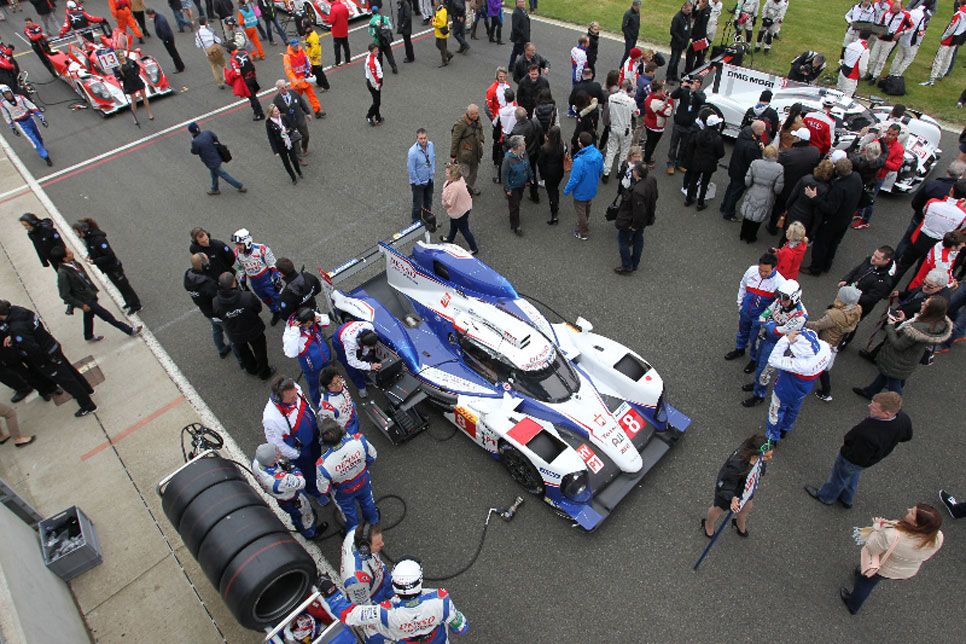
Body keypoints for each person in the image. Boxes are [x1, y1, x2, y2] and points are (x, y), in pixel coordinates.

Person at [805, 391, 911, 506]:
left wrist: (847, 448)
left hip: (851, 458)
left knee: (838, 477)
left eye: (874, 407)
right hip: (868, 460)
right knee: (853, 474)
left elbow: (850, 441)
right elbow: (907, 436)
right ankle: (847, 499)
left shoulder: (868, 434)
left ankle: (826, 497)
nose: (869, 406)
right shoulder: (903, 419)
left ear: (886, 414)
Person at [841, 503, 943, 614]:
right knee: (870, 579)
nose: (908, 510)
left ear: (916, 524)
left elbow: (872, 548)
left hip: (881, 567)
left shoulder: (892, 535)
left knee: (865, 583)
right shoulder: (937, 537)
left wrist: (877, 529)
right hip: (902, 570)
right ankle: (860, 574)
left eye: (912, 513)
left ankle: (853, 604)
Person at [0, 301, 97, 417]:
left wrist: (42, 363)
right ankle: (88, 390)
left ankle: (88, 406)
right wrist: (14, 337)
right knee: (70, 371)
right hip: (52, 345)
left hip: (47, 356)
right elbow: (28, 328)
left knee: (67, 382)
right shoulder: (18, 311)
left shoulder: (16, 328)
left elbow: (33, 349)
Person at [343, 559, 469, 641]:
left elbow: (349, 615)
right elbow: (461, 628)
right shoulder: (441, 601)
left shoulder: (385, 611)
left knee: (370, 630)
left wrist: (332, 595)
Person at [853, 295, 951, 397]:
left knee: (894, 385)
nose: (922, 303)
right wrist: (905, 320)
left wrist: (890, 325)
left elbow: (898, 344)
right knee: (886, 375)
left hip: (899, 359)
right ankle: (870, 392)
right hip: (907, 360)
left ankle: (895, 409)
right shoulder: (934, 323)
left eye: (926, 304)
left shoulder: (918, 329)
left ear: (930, 310)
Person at [50, 247, 141, 342]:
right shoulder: (63, 274)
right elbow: (64, 294)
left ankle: (88, 335)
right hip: (85, 300)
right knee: (108, 316)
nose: (71, 252)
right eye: (68, 253)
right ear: (64, 259)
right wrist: (81, 305)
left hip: (90, 295)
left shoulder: (74, 263)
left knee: (88, 315)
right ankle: (130, 330)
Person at [742, 279, 808, 407]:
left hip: (778, 345)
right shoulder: (779, 301)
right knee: (758, 362)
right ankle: (757, 384)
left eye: (785, 298)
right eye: (780, 296)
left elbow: (778, 331)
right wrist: (769, 323)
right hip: (766, 337)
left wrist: (768, 323)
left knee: (764, 370)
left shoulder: (800, 316)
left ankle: (759, 395)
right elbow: (764, 314)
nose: (781, 300)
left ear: (794, 298)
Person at [891, 179, 966, 286]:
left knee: (902, 265)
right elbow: (961, 229)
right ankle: (907, 295)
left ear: (951, 190)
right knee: (920, 272)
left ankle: (887, 288)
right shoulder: (963, 214)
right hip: (936, 245)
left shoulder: (933, 202)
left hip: (918, 238)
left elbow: (924, 212)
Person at [765, 329, 832, 442]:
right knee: (793, 410)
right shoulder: (824, 349)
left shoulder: (802, 364)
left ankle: (772, 437)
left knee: (775, 413)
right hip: (803, 389)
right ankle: (785, 429)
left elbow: (773, 360)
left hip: (785, 389)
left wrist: (785, 340)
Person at [702, 434, 773, 538]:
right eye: (767, 456)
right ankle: (708, 524)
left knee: (747, 506)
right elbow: (727, 484)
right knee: (718, 509)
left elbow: (760, 466)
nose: (770, 458)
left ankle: (739, 523)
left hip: (746, 487)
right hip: (728, 489)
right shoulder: (736, 465)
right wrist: (732, 498)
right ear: (755, 454)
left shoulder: (756, 454)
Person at [263, 376, 323, 499]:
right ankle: (314, 491)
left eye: (296, 394)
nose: (296, 398)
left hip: (314, 437)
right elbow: (277, 444)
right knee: (308, 472)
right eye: (291, 398)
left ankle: (322, 481)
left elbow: (305, 401)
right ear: (280, 399)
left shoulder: (294, 388)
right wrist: (297, 455)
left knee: (318, 462)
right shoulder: (271, 418)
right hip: (301, 450)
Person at [805, 157, 866, 274]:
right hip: (846, 218)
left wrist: (815, 197)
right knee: (834, 243)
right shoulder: (857, 177)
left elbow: (830, 208)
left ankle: (815, 268)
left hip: (832, 221)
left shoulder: (839, 187)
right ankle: (826, 265)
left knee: (821, 244)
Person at [253, 443, 324, 538]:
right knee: (304, 515)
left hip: (283, 498)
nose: (279, 452)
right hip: (292, 499)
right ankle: (310, 533)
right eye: (276, 453)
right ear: (272, 461)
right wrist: (294, 469)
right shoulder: (280, 480)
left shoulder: (257, 462)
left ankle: (300, 523)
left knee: (297, 515)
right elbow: (301, 482)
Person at [317, 417, 379, 528]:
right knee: (368, 502)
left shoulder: (322, 465)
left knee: (348, 513)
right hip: (362, 481)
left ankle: (354, 534)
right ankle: (373, 523)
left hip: (343, 493)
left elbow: (323, 489)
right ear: (342, 431)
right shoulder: (359, 440)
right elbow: (373, 457)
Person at [72, 218, 141, 314]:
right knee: (119, 286)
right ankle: (129, 302)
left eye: (77, 231)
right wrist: (90, 255)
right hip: (107, 268)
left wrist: (95, 261)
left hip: (113, 267)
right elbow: (94, 250)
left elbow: (110, 255)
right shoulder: (89, 239)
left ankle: (136, 305)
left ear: (83, 230)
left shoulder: (98, 239)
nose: (76, 234)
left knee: (125, 286)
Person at [214, 272, 275, 379]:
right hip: (254, 330)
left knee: (243, 352)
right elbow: (258, 308)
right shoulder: (247, 296)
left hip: (235, 333)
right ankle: (264, 372)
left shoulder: (216, 302)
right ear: (234, 282)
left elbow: (218, 315)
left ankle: (251, 369)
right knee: (260, 351)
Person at [725, 252, 785, 362]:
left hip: (761, 317)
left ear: (774, 268)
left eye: (766, 271)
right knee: (742, 331)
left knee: (756, 339)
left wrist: (765, 318)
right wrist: (740, 304)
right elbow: (742, 285)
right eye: (760, 270)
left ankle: (754, 359)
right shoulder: (751, 270)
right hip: (746, 310)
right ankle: (740, 349)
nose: (762, 273)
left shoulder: (780, 282)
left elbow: (779, 305)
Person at [808, 285, 863, 401]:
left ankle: (825, 391)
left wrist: (803, 322)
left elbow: (818, 325)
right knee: (825, 365)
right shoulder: (856, 310)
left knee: (821, 367)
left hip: (825, 341)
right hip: (836, 342)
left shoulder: (834, 315)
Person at [852, 124, 905, 230]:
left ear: (897, 135)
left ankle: (865, 221)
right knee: (860, 193)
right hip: (867, 174)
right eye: (889, 133)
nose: (890, 136)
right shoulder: (877, 142)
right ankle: (859, 212)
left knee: (870, 200)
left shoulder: (899, 149)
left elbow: (896, 166)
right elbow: (866, 153)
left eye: (893, 135)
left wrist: (881, 161)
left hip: (879, 177)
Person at [184, 253, 235, 360]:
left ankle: (221, 349)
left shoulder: (188, 278)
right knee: (231, 334)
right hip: (217, 312)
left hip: (206, 311)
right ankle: (241, 358)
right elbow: (219, 297)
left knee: (216, 329)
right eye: (207, 260)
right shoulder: (207, 284)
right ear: (202, 264)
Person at [768, 128, 820, 233]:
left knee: (778, 208)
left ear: (798, 139)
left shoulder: (788, 154)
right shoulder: (815, 152)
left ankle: (773, 227)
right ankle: (787, 228)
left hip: (786, 187)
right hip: (803, 189)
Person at [283, 308, 331, 410]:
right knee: (314, 387)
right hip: (311, 368)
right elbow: (290, 353)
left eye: (311, 322)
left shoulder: (311, 315)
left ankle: (331, 393)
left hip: (325, 359)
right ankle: (319, 405)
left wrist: (320, 319)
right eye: (308, 324)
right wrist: (295, 331)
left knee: (328, 378)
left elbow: (327, 322)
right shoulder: (291, 331)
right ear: (301, 323)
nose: (310, 325)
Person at [232, 228, 283, 323]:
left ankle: (287, 312)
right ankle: (276, 312)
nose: (237, 246)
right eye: (236, 244)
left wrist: (276, 278)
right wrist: (242, 282)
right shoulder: (236, 254)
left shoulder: (261, 249)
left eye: (239, 244)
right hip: (254, 282)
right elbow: (241, 269)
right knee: (265, 299)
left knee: (278, 297)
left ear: (247, 242)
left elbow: (272, 264)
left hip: (267, 279)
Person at [614, 162, 657, 275]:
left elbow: (638, 212)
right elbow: (655, 196)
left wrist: (633, 226)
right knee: (639, 239)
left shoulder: (637, 191)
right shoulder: (651, 180)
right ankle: (635, 263)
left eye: (633, 170)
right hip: (645, 218)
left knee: (623, 241)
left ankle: (627, 266)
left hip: (632, 221)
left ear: (637, 173)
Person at [721, 120, 765, 222]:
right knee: (736, 193)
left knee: (731, 187)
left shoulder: (745, 132)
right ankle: (728, 213)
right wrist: (761, 150)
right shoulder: (752, 146)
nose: (764, 132)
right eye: (763, 130)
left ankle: (724, 206)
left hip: (734, 167)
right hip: (742, 172)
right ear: (757, 130)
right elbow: (755, 161)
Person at [564, 131, 604, 241]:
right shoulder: (598, 154)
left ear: (581, 144)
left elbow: (574, 180)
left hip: (581, 191)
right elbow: (601, 170)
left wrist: (566, 190)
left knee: (580, 210)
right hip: (592, 187)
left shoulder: (579, 161)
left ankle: (583, 231)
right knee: (588, 205)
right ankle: (586, 221)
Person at [740, 145, 784, 242]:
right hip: (767, 194)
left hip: (753, 190)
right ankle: (751, 237)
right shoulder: (779, 168)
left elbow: (747, 181)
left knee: (748, 213)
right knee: (759, 216)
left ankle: (743, 233)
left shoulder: (755, 163)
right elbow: (778, 188)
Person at [341, 522, 392, 605]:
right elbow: (364, 608)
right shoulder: (357, 581)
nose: (383, 544)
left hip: (380, 577)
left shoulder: (355, 531)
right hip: (373, 595)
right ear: (365, 548)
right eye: (378, 544)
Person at [188, 122, 246, 194]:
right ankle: (215, 189)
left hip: (210, 162)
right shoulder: (207, 133)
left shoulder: (195, 142)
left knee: (223, 174)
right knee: (213, 174)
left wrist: (193, 141)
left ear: (191, 132)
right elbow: (215, 138)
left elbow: (194, 151)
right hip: (217, 156)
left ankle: (239, 186)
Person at [1, 85, 51, 166]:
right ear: (3, 95)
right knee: (33, 140)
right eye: (5, 94)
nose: (8, 95)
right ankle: (45, 156)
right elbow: (6, 116)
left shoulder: (20, 97)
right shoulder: (3, 104)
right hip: (20, 123)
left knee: (38, 136)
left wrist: (42, 118)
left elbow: (31, 106)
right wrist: (12, 127)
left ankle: (42, 148)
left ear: (11, 92)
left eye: (8, 93)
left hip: (29, 118)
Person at [783, 159, 834, 239]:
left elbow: (793, 195)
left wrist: (787, 208)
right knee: (798, 239)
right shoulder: (826, 189)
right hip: (808, 218)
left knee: (787, 235)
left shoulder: (805, 178)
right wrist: (814, 228)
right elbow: (819, 212)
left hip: (794, 211)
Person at [867, 0, 914, 82]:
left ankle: (875, 76)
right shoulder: (887, 13)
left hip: (890, 40)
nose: (894, 10)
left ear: (900, 8)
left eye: (897, 9)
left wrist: (901, 33)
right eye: (894, 8)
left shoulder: (905, 15)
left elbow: (911, 27)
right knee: (873, 57)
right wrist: (879, 32)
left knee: (881, 59)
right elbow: (881, 24)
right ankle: (870, 73)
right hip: (880, 38)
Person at [332, 320, 382, 397]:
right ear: (361, 343)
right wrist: (370, 366)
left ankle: (366, 377)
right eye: (369, 346)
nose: (372, 347)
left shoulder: (370, 327)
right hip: (339, 340)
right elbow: (351, 361)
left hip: (350, 328)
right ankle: (360, 386)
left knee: (365, 358)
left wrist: (364, 356)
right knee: (350, 367)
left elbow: (366, 350)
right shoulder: (350, 342)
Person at [666, 78, 704, 175]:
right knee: (673, 145)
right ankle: (671, 164)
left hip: (689, 125)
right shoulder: (684, 91)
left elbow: (702, 101)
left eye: (698, 82)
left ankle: (679, 163)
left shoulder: (700, 94)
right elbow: (673, 96)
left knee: (684, 146)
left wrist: (694, 92)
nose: (695, 83)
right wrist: (681, 87)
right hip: (679, 123)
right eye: (694, 81)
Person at [921, 3, 966, 86]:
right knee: (949, 56)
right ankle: (941, 74)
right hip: (959, 37)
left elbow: (952, 27)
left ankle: (932, 79)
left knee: (940, 57)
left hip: (951, 38)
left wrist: (944, 37)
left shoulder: (959, 13)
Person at [440, 161, 479, 253]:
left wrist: (443, 204)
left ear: (453, 175)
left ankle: (474, 248)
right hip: (462, 208)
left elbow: (450, 203)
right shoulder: (458, 179)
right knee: (453, 224)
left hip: (459, 211)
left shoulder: (455, 187)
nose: (445, 174)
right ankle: (450, 239)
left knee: (464, 229)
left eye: (447, 173)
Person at [603, 80, 638, 182]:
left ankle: (606, 173)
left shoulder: (611, 97)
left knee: (611, 150)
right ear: (629, 88)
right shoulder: (631, 101)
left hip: (613, 127)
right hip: (625, 129)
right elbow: (636, 113)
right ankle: (620, 172)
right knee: (624, 151)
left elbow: (610, 109)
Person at [284, 39, 324, 119]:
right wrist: (295, 82)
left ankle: (317, 110)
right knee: (295, 99)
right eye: (295, 46)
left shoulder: (301, 51)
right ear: (291, 46)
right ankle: (295, 112)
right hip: (297, 83)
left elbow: (307, 62)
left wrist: (309, 71)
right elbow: (288, 71)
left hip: (305, 79)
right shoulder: (287, 57)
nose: (297, 47)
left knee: (312, 96)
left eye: (297, 45)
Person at [404, 128, 437, 223]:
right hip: (419, 183)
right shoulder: (412, 152)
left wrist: (432, 171)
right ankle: (416, 221)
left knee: (428, 201)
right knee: (417, 204)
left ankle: (428, 218)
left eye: (425, 138)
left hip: (429, 179)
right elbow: (411, 169)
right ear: (417, 139)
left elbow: (433, 158)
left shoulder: (431, 145)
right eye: (421, 138)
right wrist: (417, 182)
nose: (423, 140)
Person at [265, 103, 304, 184]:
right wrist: (275, 151)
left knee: (294, 159)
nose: (278, 112)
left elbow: (292, 126)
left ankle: (299, 172)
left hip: (289, 142)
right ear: (271, 113)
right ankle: (293, 178)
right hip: (280, 146)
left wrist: (288, 130)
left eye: (278, 110)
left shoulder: (283, 116)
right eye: (275, 111)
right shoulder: (268, 123)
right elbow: (271, 137)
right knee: (286, 163)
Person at [501, 134, 531, 235]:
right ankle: (515, 225)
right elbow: (504, 175)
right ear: (518, 147)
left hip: (521, 184)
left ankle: (514, 215)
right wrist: (507, 188)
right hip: (513, 187)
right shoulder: (508, 160)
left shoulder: (524, 153)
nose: (525, 144)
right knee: (515, 206)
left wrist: (530, 177)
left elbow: (528, 166)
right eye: (523, 144)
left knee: (517, 201)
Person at [451, 105, 485, 195]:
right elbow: (455, 139)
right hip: (464, 154)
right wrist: (453, 155)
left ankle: (470, 187)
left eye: (477, 113)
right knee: (464, 173)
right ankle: (461, 190)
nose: (476, 116)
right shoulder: (460, 124)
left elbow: (480, 130)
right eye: (473, 114)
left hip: (476, 152)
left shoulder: (477, 119)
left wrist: (482, 140)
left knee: (474, 172)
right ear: (468, 113)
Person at [273, 80, 312, 157]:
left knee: (306, 136)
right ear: (278, 89)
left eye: (285, 87)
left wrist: (307, 113)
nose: (285, 89)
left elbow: (302, 102)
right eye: (282, 88)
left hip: (299, 119)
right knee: (295, 140)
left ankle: (304, 148)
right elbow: (277, 113)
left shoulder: (293, 93)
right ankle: (299, 157)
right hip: (289, 123)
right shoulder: (276, 100)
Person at [224, 44, 263, 120]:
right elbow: (252, 64)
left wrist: (230, 75)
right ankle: (259, 111)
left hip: (246, 80)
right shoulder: (244, 53)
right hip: (252, 77)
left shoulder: (233, 60)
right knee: (254, 96)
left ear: (229, 51)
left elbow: (237, 73)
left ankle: (259, 113)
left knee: (252, 98)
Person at [890, 1, 928, 77]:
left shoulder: (910, 12)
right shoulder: (923, 16)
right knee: (908, 58)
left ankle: (891, 73)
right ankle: (897, 74)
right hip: (912, 41)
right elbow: (920, 32)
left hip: (903, 37)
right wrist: (918, 42)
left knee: (899, 56)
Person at [641, 80, 673, 170]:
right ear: (658, 90)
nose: (663, 91)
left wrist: (663, 96)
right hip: (656, 126)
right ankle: (647, 159)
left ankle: (646, 157)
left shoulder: (649, 97)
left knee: (649, 142)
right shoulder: (657, 103)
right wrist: (670, 100)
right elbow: (668, 112)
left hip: (649, 122)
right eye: (662, 90)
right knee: (652, 144)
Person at [318, 367, 359, 435]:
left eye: (338, 380)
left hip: (353, 414)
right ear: (326, 387)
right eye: (333, 385)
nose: (339, 385)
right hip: (346, 428)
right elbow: (330, 427)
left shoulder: (341, 381)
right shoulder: (326, 406)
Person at [538, 125, 566, 225]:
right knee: (555, 188)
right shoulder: (562, 144)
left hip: (549, 173)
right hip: (559, 171)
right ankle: (556, 204)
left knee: (551, 192)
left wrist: (542, 176)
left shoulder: (545, 148)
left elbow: (540, 163)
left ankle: (554, 214)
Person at [146, 9, 185, 73]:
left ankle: (179, 67)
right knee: (174, 52)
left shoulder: (160, 20)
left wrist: (165, 40)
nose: (149, 17)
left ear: (152, 14)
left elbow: (164, 32)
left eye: (149, 15)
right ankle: (181, 65)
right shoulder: (159, 17)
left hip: (167, 39)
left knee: (173, 54)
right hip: (168, 38)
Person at [194, 17, 227, 89]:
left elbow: (198, 45)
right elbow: (218, 40)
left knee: (214, 67)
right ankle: (226, 78)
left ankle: (220, 83)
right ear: (205, 22)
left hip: (208, 53)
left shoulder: (198, 33)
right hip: (216, 50)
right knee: (223, 64)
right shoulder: (209, 30)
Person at [838, 30, 871, 98]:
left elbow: (844, 57)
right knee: (846, 98)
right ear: (868, 38)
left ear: (859, 35)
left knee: (838, 92)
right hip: (851, 75)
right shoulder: (865, 49)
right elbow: (862, 67)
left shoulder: (851, 44)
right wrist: (862, 75)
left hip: (843, 71)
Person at [666, 2, 692, 84]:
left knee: (677, 60)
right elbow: (673, 31)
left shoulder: (688, 16)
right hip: (676, 43)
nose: (689, 12)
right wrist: (680, 39)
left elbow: (688, 28)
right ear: (683, 8)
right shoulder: (677, 17)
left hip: (683, 43)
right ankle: (669, 77)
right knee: (673, 60)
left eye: (690, 10)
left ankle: (674, 75)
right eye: (688, 10)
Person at [369, 5, 398, 74]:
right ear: (378, 11)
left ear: (372, 12)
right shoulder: (384, 18)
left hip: (378, 41)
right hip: (386, 40)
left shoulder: (372, 21)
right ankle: (394, 67)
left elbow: (371, 33)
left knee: (379, 56)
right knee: (389, 55)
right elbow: (390, 27)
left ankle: (380, 70)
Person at [302, 21, 330, 91]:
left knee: (319, 72)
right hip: (311, 58)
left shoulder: (313, 36)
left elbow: (315, 49)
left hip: (315, 58)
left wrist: (311, 56)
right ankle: (319, 83)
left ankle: (325, 86)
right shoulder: (309, 35)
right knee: (314, 72)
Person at [686, 0, 711, 73]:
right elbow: (693, 15)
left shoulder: (706, 11)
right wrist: (696, 6)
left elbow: (702, 26)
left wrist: (696, 38)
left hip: (699, 37)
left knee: (690, 53)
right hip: (698, 36)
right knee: (698, 54)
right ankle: (697, 69)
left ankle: (689, 71)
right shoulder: (701, 9)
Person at [364, 43, 384, 127]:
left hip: (374, 82)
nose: (378, 52)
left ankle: (378, 117)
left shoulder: (371, 57)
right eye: (375, 51)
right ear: (371, 51)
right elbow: (373, 76)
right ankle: (369, 116)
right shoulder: (371, 62)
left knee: (377, 101)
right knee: (377, 102)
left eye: (377, 50)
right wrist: (377, 85)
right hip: (374, 83)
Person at [508, 0, 529, 71]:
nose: (523, 3)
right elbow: (515, 27)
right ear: (516, 3)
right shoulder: (516, 13)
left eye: (523, 1)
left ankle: (511, 67)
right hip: (519, 39)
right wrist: (523, 35)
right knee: (524, 54)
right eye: (520, 2)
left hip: (523, 37)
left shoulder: (523, 10)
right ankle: (524, 68)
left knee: (515, 53)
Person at [431, 1, 452, 67]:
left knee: (442, 47)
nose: (434, 2)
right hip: (439, 32)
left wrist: (434, 23)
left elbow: (442, 24)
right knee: (438, 45)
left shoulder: (442, 11)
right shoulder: (438, 9)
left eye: (435, 1)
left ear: (438, 2)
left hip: (442, 32)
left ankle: (444, 61)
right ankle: (449, 54)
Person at [329, 0, 350, 64]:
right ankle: (348, 60)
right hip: (344, 30)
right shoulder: (343, 6)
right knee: (346, 46)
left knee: (337, 48)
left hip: (337, 32)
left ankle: (338, 62)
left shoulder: (333, 9)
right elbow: (347, 15)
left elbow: (331, 21)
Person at [621, 0, 642, 65]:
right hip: (629, 38)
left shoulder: (638, 13)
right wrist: (628, 37)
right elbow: (624, 27)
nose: (638, 8)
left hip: (635, 36)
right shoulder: (628, 14)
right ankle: (621, 66)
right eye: (637, 6)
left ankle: (630, 65)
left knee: (632, 53)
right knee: (628, 53)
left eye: (639, 6)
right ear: (633, 6)